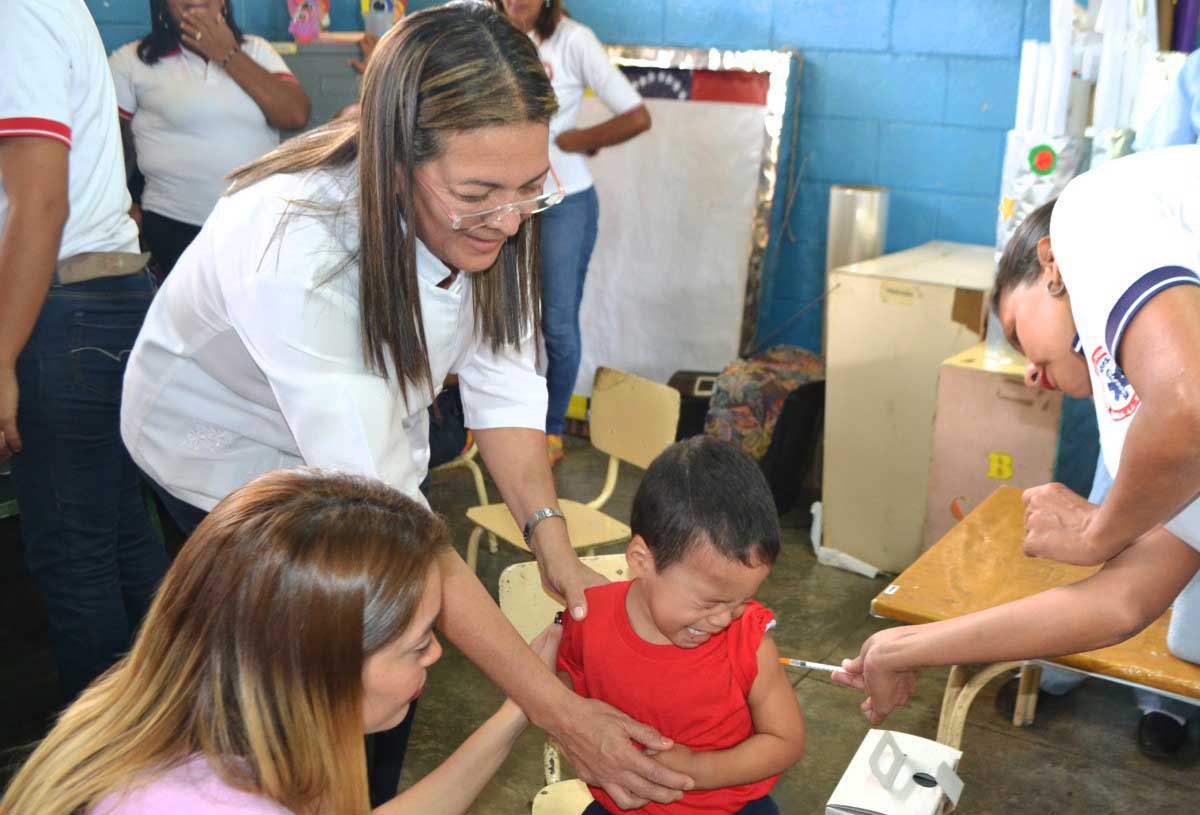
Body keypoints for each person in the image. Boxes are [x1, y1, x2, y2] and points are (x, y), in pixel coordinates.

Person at [119, 4, 691, 809]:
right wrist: (557, 710)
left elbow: (504, 381)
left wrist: (548, 533)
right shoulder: (298, 244)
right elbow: (392, 525)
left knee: (389, 662)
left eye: (529, 189)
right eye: (478, 193)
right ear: (394, 160)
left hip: (353, 444)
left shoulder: (496, 198)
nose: (507, 217)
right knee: (318, 677)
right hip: (219, 450)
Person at [832, 145, 1200, 727]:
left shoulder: (1091, 210)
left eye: (1016, 332)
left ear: (1051, 264)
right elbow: (1122, 601)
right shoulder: (1151, 429)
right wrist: (903, 648)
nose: (1031, 371)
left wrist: (1099, 533)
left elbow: (1189, 404)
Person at [0, 468, 562, 815]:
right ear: (319, 669)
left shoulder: (185, 727)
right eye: (418, 646)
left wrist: (520, 710)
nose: (438, 654)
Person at [0, 0, 169, 705]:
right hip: (98, 301)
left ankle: (100, 779)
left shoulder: (14, 14)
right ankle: (165, 751)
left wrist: (0, 357)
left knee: (78, 562)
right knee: (120, 540)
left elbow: (40, 204)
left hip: (63, 309)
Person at [558, 437, 805, 815]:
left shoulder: (749, 642)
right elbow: (565, 686)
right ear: (642, 560)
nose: (724, 619)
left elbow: (785, 741)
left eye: (740, 601)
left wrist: (700, 770)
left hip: (731, 809)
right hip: (620, 806)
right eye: (710, 602)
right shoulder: (588, 621)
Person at [492, 0, 651, 467]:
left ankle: (551, 429)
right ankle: (490, 425)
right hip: (505, 198)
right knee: (494, 322)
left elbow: (636, 115)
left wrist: (572, 140)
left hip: (565, 202)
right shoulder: (486, 29)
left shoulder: (573, 41)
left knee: (556, 326)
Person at [109, 0, 311, 277]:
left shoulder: (257, 50)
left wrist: (228, 53)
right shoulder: (131, 61)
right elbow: (103, 144)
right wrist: (121, 206)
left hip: (258, 228)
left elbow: (295, 114)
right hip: (174, 230)